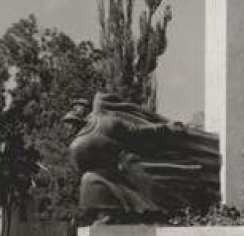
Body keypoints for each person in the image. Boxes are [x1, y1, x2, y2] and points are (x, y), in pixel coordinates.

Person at [65, 92, 221, 225]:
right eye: (68, 123)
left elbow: (138, 132)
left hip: (126, 168)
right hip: (105, 175)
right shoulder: (77, 144)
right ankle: (109, 214)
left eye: (70, 122)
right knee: (89, 181)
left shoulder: (105, 123)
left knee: (93, 181)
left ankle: (119, 214)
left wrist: (166, 128)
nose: (68, 127)